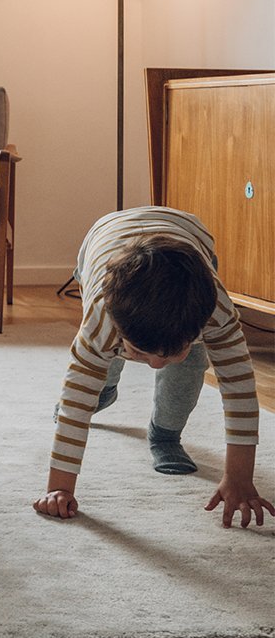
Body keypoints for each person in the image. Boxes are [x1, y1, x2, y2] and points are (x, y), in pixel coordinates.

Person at [35, 205, 270, 527]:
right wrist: (59, 488)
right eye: (143, 354)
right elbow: (75, 404)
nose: (157, 366)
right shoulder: (100, 322)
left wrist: (239, 477)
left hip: (190, 235)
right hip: (100, 239)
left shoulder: (217, 313)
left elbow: (239, 391)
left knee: (188, 367)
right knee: (102, 361)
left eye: (171, 352)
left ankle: (165, 435)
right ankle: (107, 386)